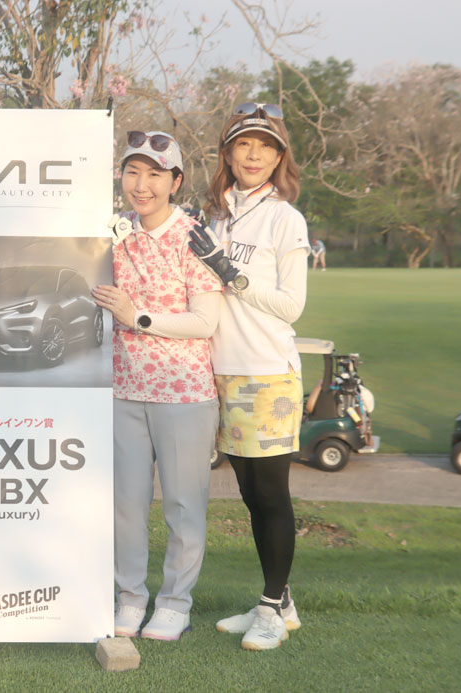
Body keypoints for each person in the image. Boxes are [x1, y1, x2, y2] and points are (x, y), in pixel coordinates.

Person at [92, 131, 221, 642]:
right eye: (132, 172)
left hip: (185, 393)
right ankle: (129, 598)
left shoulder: (195, 237)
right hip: (123, 389)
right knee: (125, 503)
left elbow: (205, 321)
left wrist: (137, 316)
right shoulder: (113, 234)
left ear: (176, 181)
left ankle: (174, 603)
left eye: (154, 174)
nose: (141, 185)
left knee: (184, 505)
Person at [188, 102, 308, 651]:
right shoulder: (215, 217)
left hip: (267, 372)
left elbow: (291, 306)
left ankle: (270, 608)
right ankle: (280, 602)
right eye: (244, 144)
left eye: (265, 146)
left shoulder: (285, 218)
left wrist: (229, 272)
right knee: (251, 495)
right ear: (228, 154)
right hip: (221, 371)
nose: (254, 154)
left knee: (272, 494)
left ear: (279, 157)